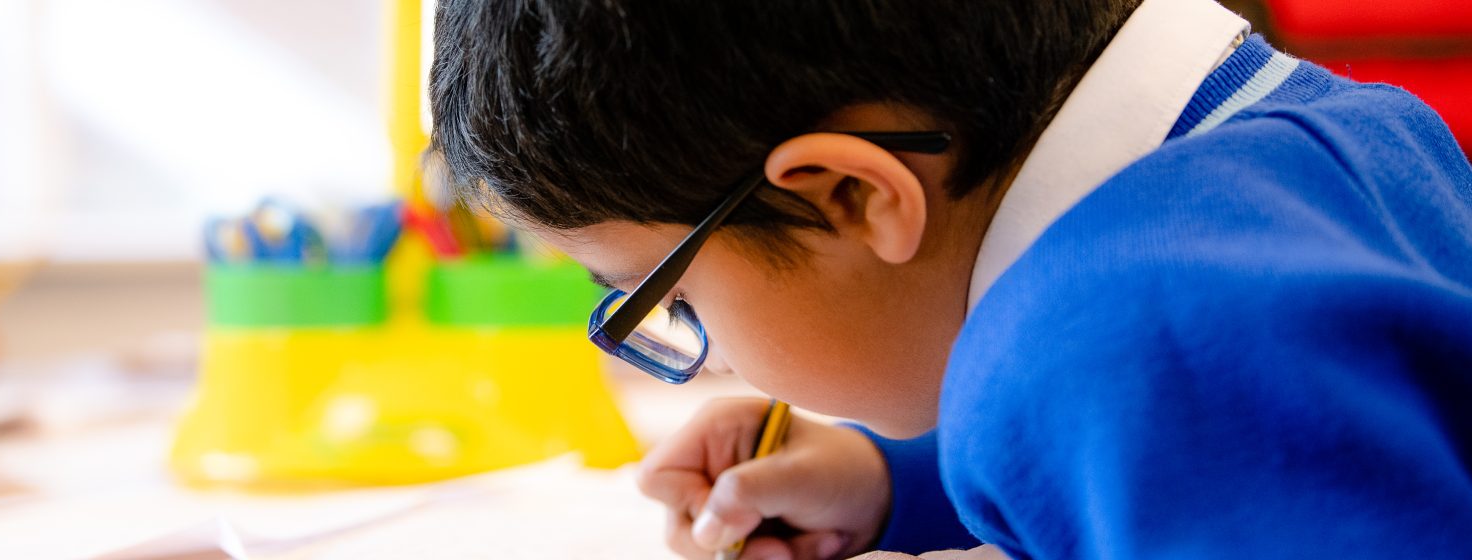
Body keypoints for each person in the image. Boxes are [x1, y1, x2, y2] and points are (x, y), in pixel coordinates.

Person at [425, 0, 1472, 558]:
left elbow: (1173, 407)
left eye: (672, 300)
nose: (708, 362)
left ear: (850, 194)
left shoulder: (1132, 346)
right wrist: (892, 479)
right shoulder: (1326, 129)